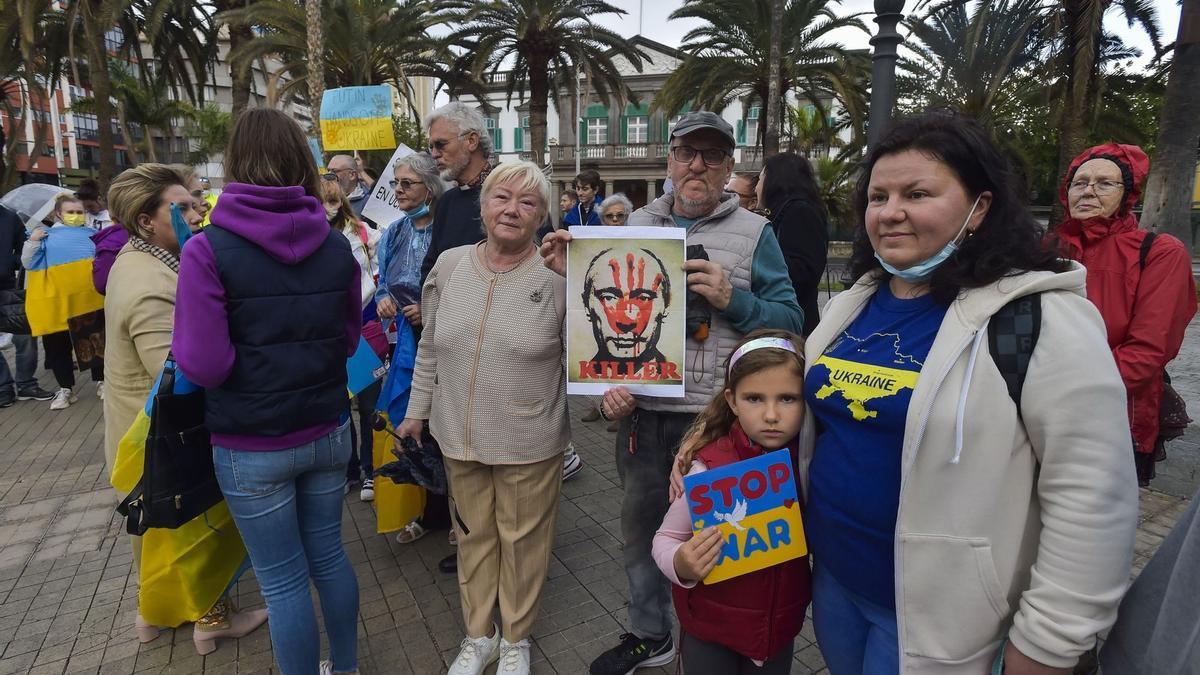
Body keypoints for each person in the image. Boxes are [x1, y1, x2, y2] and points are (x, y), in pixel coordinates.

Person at [788, 113, 1136, 673]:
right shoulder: (853, 302)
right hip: (835, 585)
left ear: (980, 206)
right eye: (877, 196)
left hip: (944, 620)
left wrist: (1050, 641)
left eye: (917, 193)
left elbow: (1093, 497)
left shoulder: (1039, 317)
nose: (890, 211)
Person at [543, 110, 805, 675]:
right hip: (644, 417)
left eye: (713, 156)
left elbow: (790, 319)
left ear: (730, 166)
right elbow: (605, 319)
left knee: (723, 542)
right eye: (688, 152)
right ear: (670, 160)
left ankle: (717, 643)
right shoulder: (634, 223)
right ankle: (650, 634)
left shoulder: (755, 233)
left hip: (717, 427)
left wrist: (734, 300)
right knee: (642, 534)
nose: (698, 165)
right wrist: (608, 389)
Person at [173, 107, 362, 675]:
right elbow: (350, 341)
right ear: (302, 163)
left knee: (282, 582)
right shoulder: (335, 247)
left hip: (251, 444)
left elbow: (204, 364)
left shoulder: (205, 250)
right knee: (329, 556)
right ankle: (347, 667)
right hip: (328, 429)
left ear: (235, 165)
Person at [396, 161, 569, 675]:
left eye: (528, 202)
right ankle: (480, 635)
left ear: (541, 215)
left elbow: (591, 352)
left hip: (529, 436)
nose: (512, 210)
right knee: (472, 537)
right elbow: (429, 344)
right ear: (483, 204)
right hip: (458, 435)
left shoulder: (559, 276)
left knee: (523, 543)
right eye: (502, 198)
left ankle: (516, 638)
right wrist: (416, 411)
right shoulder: (448, 266)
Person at [103, 162, 268, 654]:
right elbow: (175, 373)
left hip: (140, 428)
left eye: (197, 202)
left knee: (154, 535)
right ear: (146, 221)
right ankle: (211, 617)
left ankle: (153, 614)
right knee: (189, 526)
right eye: (182, 207)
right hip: (159, 432)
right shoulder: (153, 283)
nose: (197, 213)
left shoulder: (145, 259)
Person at [654, 329, 811, 674]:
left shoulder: (812, 464)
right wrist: (681, 564)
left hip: (778, 631)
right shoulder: (705, 467)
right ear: (731, 400)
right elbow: (664, 540)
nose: (771, 414)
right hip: (710, 631)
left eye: (788, 398)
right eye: (755, 398)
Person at [1055, 143, 1197, 487]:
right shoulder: (1050, 250)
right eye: (1080, 182)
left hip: (1113, 417)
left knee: (1092, 525)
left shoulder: (1159, 252)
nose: (1088, 190)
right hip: (1039, 413)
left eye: (1104, 183)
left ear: (1128, 194)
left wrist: (1063, 394)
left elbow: (1148, 350)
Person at [374, 152, 456, 546]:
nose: (399, 191)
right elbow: (383, 282)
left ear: (430, 187)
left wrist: (431, 310)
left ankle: (454, 516)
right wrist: (384, 298)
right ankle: (425, 510)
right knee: (412, 425)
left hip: (447, 344)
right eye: (396, 184)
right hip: (406, 346)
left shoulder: (446, 228)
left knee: (445, 429)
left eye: (407, 183)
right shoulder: (393, 232)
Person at [321, 180, 382, 503]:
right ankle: (350, 470)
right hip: (329, 331)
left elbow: (384, 260)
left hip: (364, 327)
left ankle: (372, 471)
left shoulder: (361, 232)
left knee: (369, 405)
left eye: (331, 200)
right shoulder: (307, 238)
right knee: (340, 407)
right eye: (321, 200)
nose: (326, 206)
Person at [22, 194, 104, 410]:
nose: (76, 216)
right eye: (71, 212)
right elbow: (28, 263)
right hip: (56, 302)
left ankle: (102, 381)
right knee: (58, 347)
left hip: (88, 300)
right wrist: (32, 242)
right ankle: (65, 389)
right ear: (58, 213)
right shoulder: (43, 236)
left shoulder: (93, 235)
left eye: (79, 212)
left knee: (95, 341)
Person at [419, 101, 493, 284]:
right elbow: (431, 266)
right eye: (431, 147)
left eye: (441, 144)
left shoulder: (513, 193)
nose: (434, 154)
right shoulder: (446, 201)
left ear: (471, 141)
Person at [757, 153, 829, 337]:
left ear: (774, 181)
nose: (756, 187)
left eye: (760, 179)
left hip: (795, 328)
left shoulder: (799, 212)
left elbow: (803, 271)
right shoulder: (785, 212)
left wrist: (757, 263)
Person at [578, 193, 634, 429]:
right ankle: (596, 405)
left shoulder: (638, 241)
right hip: (602, 309)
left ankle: (620, 416)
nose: (615, 220)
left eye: (620, 216)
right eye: (610, 216)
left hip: (625, 309)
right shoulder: (592, 243)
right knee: (599, 357)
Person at [0, 204, 53, 408]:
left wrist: (8, 263)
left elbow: (23, 247)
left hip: (7, 288)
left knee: (26, 335)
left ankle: (26, 384)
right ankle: (3, 387)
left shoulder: (9, 217)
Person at [325, 154, 373, 221]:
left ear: (352, 175)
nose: (328, 175)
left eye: (334, 171)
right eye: (328, 171)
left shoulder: (368, 203)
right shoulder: (321, 200)